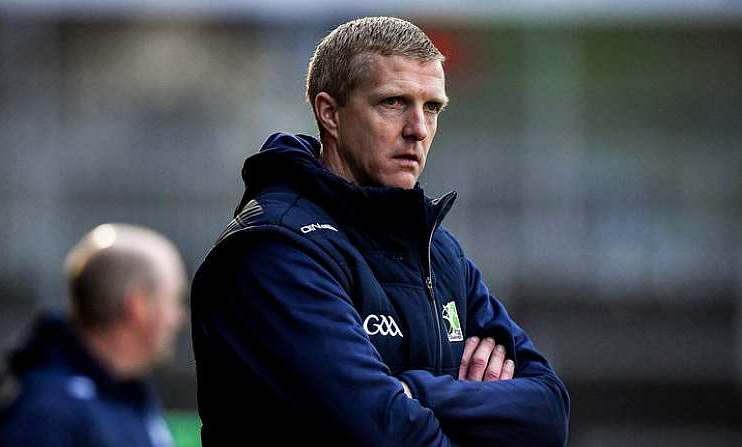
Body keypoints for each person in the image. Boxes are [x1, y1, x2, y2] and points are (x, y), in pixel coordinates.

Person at [191, 16, 569, 446]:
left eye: (432, 107)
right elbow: (381, 434)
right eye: (393, 103)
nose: (418, 129)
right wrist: (475, 402)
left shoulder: (438, 250)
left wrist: (412, 391)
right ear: (329, 113)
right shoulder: (271, 251)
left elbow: (549, 413)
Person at [0, 223, 186, 447]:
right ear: (137, 305)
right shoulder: (45, 416)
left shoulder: (127, 398)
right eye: (173, 301)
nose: (178, 318)